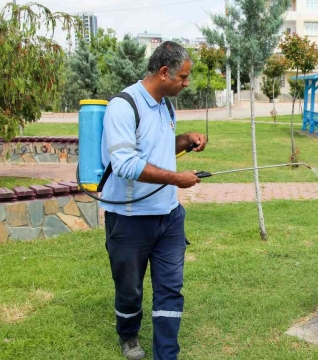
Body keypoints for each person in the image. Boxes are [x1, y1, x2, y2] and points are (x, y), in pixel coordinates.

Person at [100, 41, 207, 360]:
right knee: (130, 289)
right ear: (164, 72)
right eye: (184, 77)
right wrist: (178, 178)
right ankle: (129, 336)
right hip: (129, 219)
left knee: (170, 290)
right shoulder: (123, 105)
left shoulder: (166, 105)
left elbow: (156, 151)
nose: (187, 83)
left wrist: (184, 140)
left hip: (170, 216)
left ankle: (167, 354)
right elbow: (125, 164)